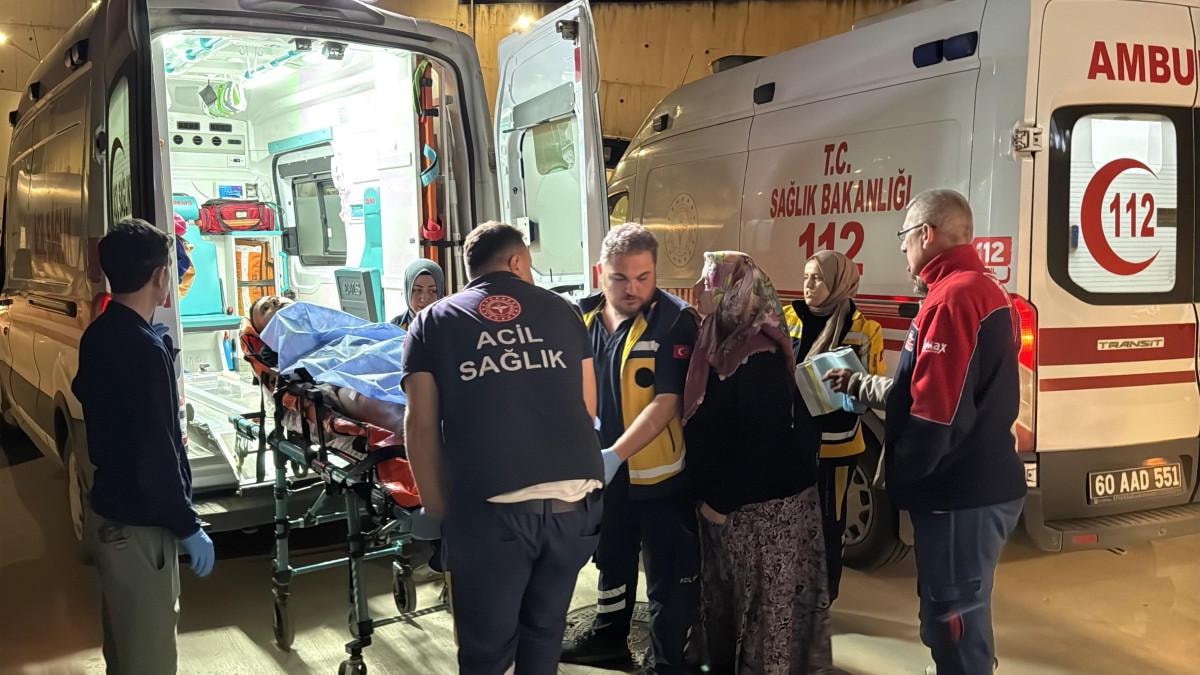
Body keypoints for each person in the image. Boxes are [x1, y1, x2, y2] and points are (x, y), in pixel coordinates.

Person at [401, 221, 605, 675]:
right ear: (516, 262)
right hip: (577, 508)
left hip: (494, 514)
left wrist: (439, 509)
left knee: (487, 653)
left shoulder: (432, 321)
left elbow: (420, 424)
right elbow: (587, 407)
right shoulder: (565, 311)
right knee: (544, 633)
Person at [887, 189, 1027, 675]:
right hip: (976, 488)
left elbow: (937, 413)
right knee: (955, 619)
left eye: (904, 235)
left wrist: (902, 476)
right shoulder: (984, 289)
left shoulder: (954, 297)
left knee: (955, 625)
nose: (902, 246)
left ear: (926, 234)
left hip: (959, 494)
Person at [72, 218, 215, 675]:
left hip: (110, 514)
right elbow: (155, 454)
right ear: (160, 276)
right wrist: (187, 524)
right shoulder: (143, 349)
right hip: (140, 528)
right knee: (149, 658)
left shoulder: (99, 334)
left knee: (125, 650)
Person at [682, 251, 831, 674]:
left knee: (763, 623)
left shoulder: (757, 354)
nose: (700, 288)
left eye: (710, 281)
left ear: (736, 294)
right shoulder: (717, 340)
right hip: (732, 514)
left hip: (762, 516)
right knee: (735, 615)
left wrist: (719, 503)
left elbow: (763, 445)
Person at [561, 223, 700, 675]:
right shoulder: (580, 318)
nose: (633, 288)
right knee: (611, 560)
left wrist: (616, 455)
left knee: (667, 577)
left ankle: (667, 661)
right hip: (603, 477)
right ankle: (608, 638)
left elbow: (667, 400)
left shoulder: (674, 320)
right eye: (620, 278)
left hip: (659, 477)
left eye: (644, 277)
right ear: (599, 272)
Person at [783, 250, 885, 601]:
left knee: (829, 523)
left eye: (817, 278)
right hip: (791, 441)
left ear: (838, 283)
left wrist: (849, 384)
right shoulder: (787, 318)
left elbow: (874, 387)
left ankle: (822, 598)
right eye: (806, 277)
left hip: (837, 446)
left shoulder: (865, 329)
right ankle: (790, 594)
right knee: (790, 521)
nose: (808, 285)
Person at [391, 258, 445, 329]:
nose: (424, 298)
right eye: (417, 290)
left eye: (432, 291)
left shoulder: (452, 327)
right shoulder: (394, 328)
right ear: (407, 292)